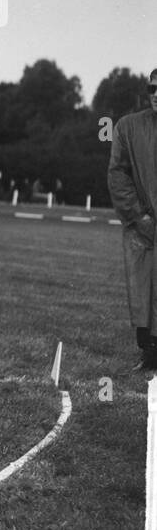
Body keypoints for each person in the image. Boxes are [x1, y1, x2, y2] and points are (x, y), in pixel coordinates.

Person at [107, 66, 157, 372]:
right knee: (142, 287)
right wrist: (138, 216)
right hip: (142, 226)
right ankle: (149, 354)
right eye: (152, 88)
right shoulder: (128, 127)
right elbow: (118, 173)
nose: (156, 95)